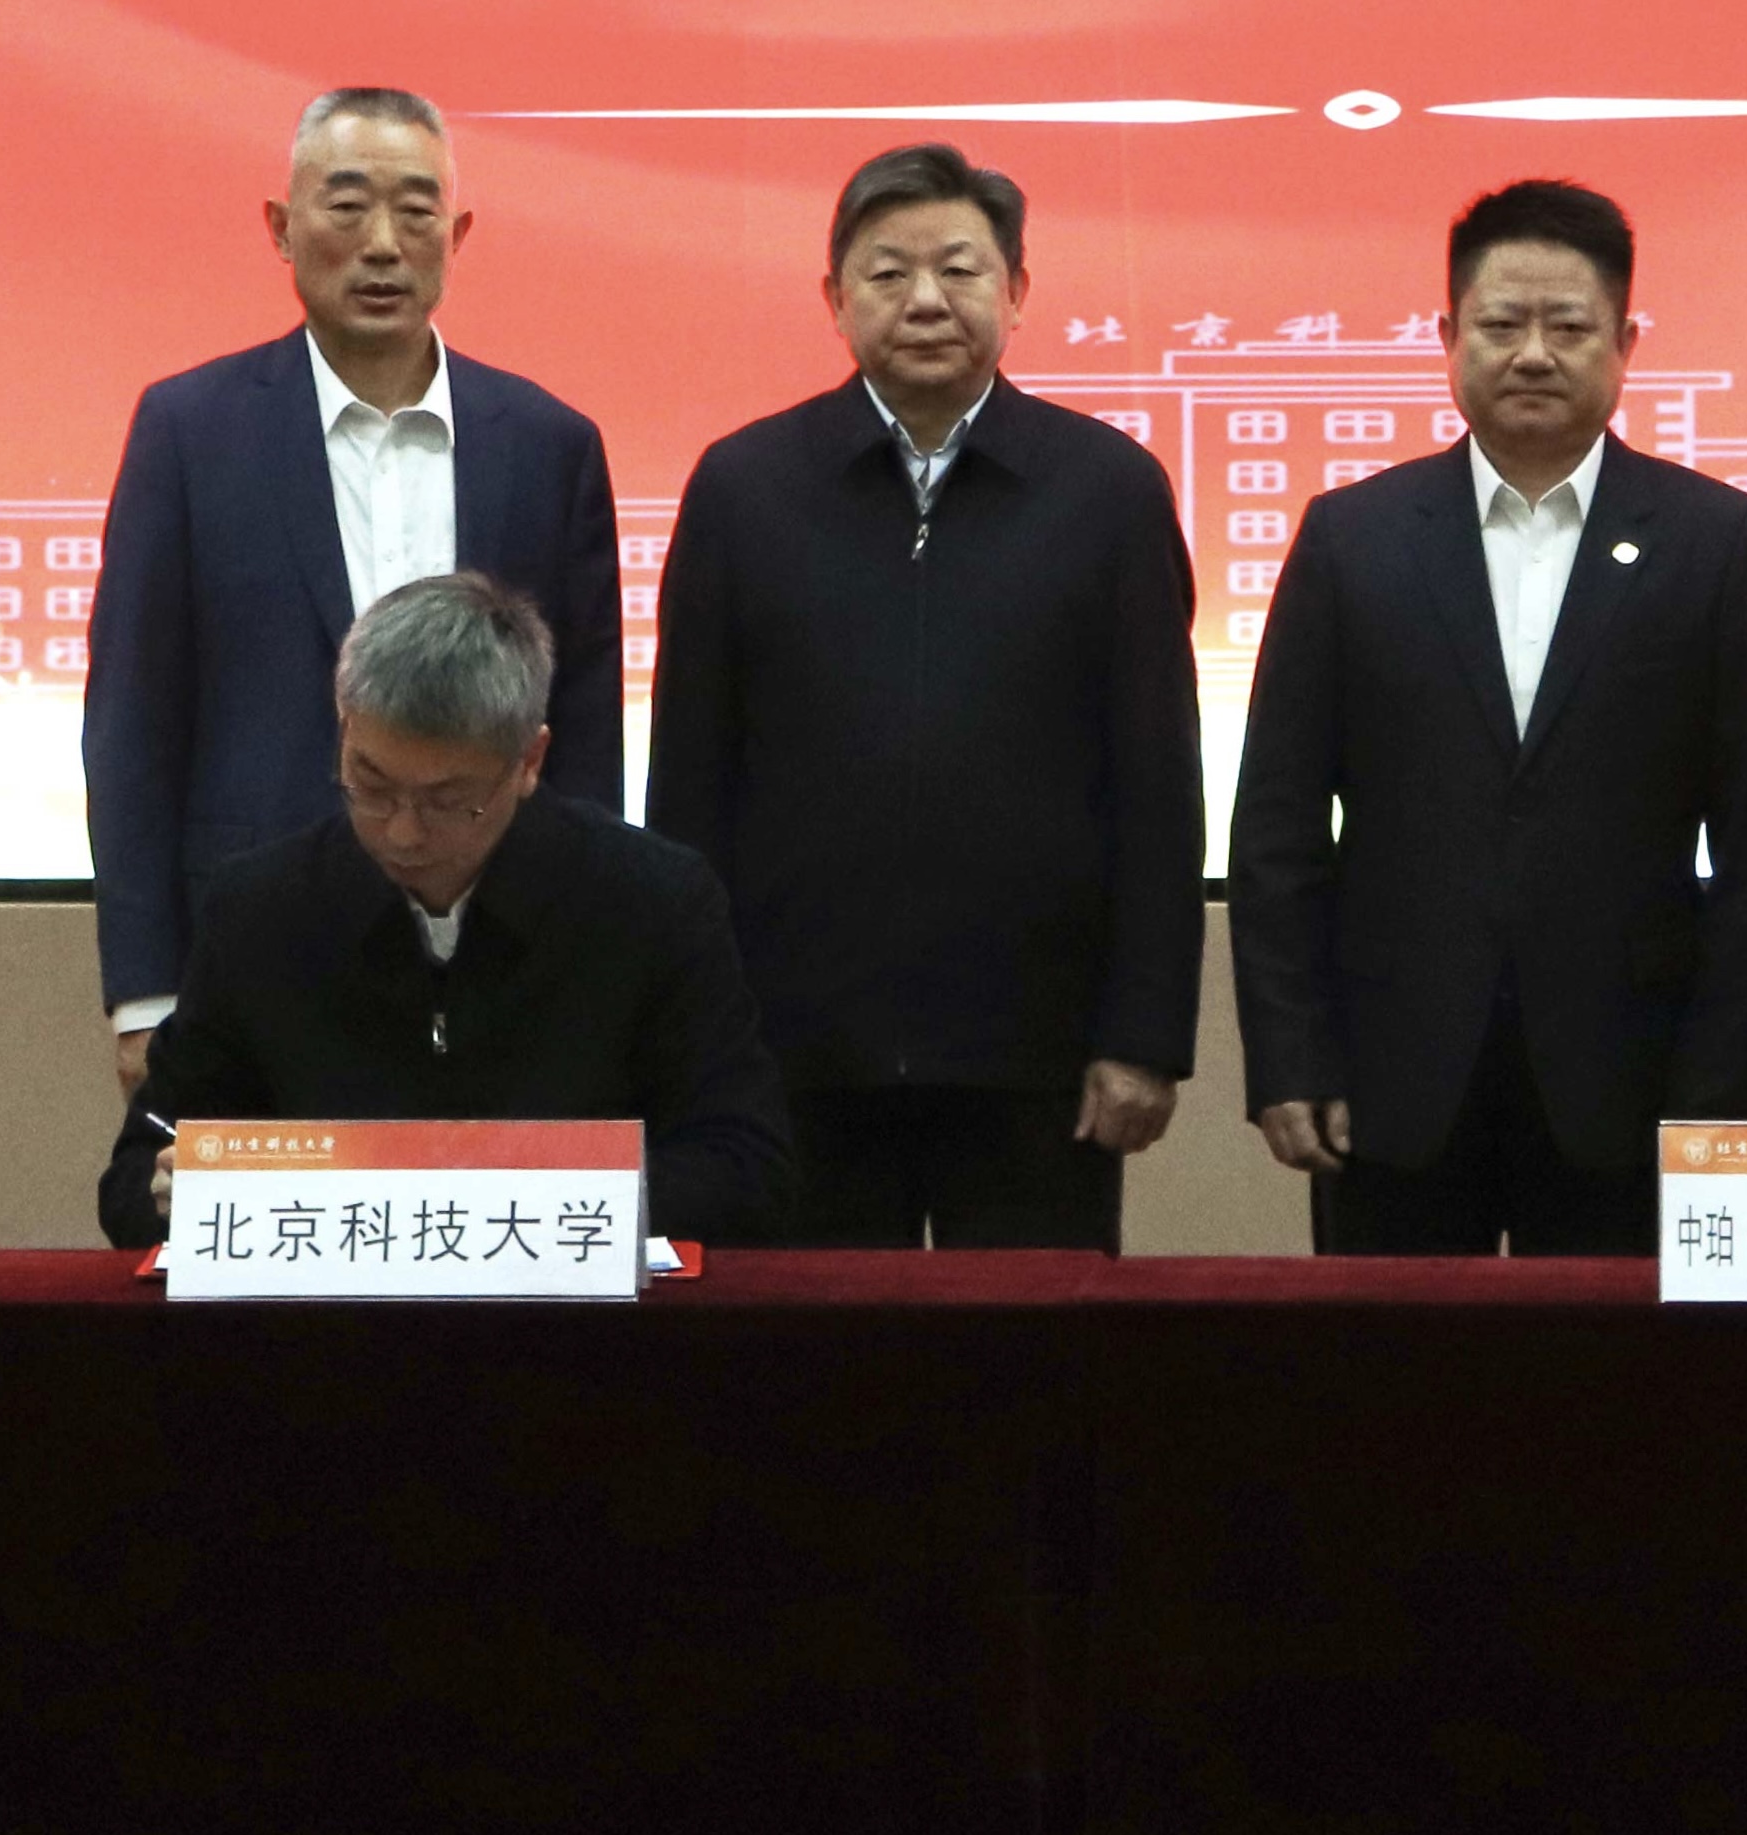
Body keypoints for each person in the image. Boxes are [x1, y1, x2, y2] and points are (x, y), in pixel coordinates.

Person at [1230, 178, 1747, 1255]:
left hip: (1630, 1088)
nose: (1533, 354)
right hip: (1389, 1085)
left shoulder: (1717, 543)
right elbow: (1276, 828)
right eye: (1500, 325)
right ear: (1448, 337)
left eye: (1568, 327)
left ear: (1625, 344)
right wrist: (1291, 1056)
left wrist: (1718, 1091)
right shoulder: (1352, 539)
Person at [649, 145, 1204, 1250]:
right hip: (795, 1053)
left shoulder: (1108, 492)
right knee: (818, 1350)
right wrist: (690, 1034)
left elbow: (1156, 787)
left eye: (959, 268)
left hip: (1038, 1056)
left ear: (1017, 290)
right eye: (888, 272)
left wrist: (1143, 1036)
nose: (925, 300)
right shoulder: (744, 487)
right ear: (834, 298)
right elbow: (690, 786)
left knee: (1033, 1348)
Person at [82, 88, 624, 1111]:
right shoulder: (190, 432)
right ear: (280, 228)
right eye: (346, 206)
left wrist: (593, 959)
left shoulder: (547, 443)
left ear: (457, 236)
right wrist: (146, 993)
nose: (382, 244)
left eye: (416, 212)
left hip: (504, 953)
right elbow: (133, 725)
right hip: (258, 953)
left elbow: (584, 727)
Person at [97, 573, 790, 1249]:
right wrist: (184, 1195)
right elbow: (134, 1178)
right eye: (371, 785)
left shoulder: (652, 904)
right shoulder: (259, 912)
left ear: (530, 761)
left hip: (568, 1311)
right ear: (343, 731)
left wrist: (509, 1202)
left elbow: (746, 1166)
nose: (403, 833)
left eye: (449, 800)